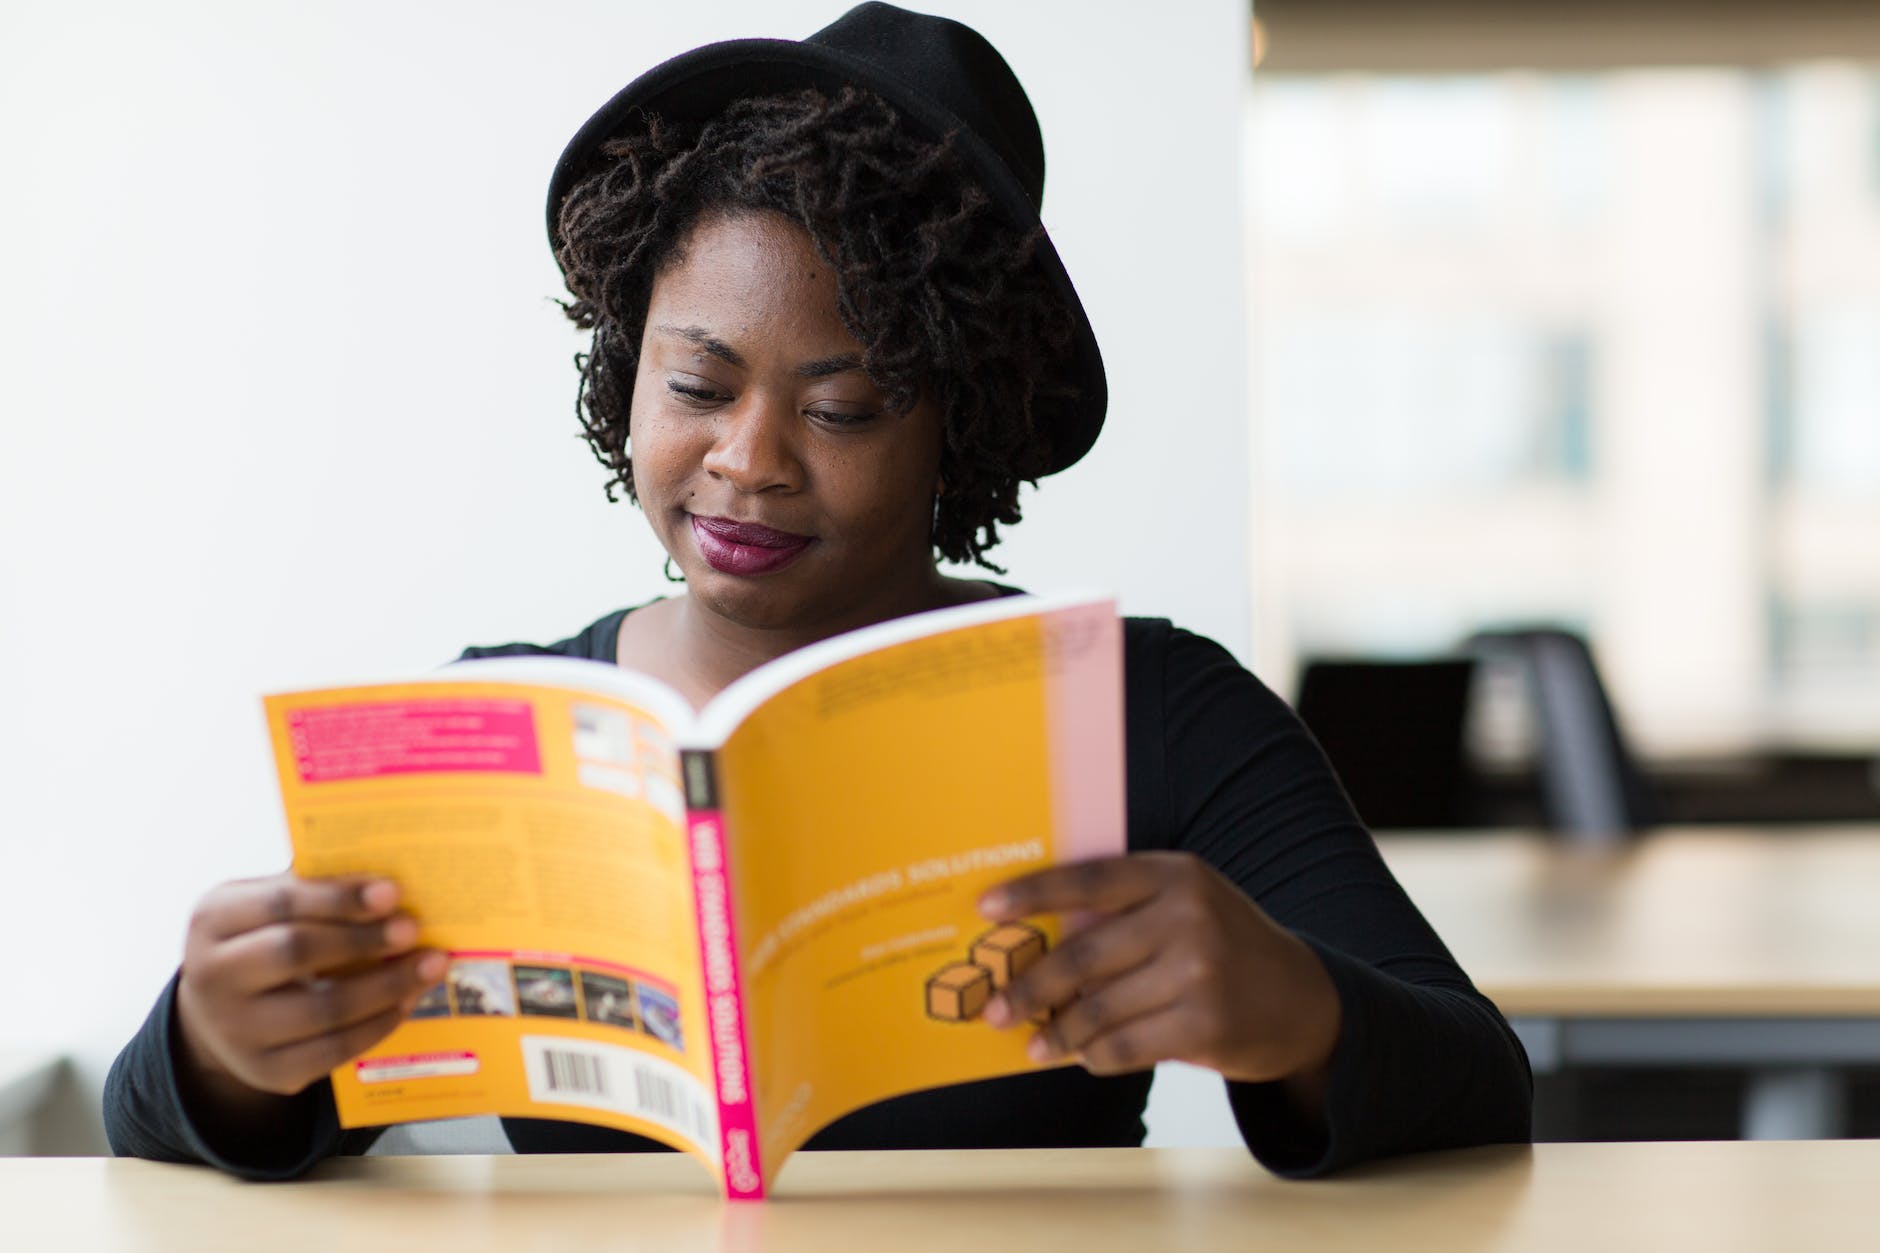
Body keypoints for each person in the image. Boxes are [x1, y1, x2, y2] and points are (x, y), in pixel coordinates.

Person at [104, 2, 1531, 1180]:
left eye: (842, 410)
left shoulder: (1149, 711)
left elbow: (1480, 1085)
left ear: (948, 430)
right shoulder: (505, 721)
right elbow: (172, 1119)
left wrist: (1295, 1010)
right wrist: (226, 1047)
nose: (749, 459)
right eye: (697, 385)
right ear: (626, 379)